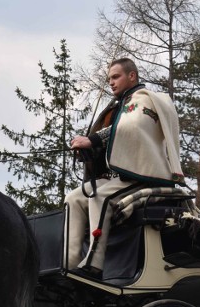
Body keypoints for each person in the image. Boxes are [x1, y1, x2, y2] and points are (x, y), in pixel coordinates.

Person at [65, 58, 184, 279]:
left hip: (147, 176)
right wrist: (90, 151)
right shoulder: (121, 106)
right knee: (75, 198)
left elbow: (130, 128)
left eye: (116, 76)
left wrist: (92, 140)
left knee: (99, 197)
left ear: (132, 76)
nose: (111, 82)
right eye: (109, 78)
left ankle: (94, 263)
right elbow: (116, 140)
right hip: (123, 178)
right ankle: (70, 262)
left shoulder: (145, 101)